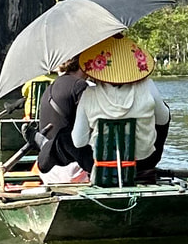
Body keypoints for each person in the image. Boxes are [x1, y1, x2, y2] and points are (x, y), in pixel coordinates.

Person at [34, 34, 170, 187]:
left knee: (65, 137)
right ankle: (145, 166)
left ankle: (45, 155)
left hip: (104, 165)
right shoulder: (148, 86)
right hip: (144, 162)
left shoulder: (89, 94)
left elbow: (79, 142)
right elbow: (163, 120)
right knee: (164, 112)